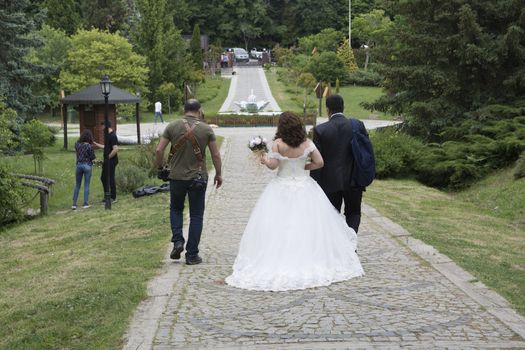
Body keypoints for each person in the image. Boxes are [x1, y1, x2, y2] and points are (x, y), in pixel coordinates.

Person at [225, 112, 363, 291]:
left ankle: (279, 257)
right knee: (307, 224)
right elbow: (320, 163)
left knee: (278, 225)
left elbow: (274, 166)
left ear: (281, 127)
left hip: (281, 187)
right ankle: (309, 256)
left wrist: (264, 159)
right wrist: (305, 166)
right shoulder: (307, 143)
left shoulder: (278, 144)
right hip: (305, 186)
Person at [155, 99, 223, 265]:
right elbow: (215, 155)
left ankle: (178, 241)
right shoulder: (206, 129)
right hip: (198, 178)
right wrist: (219, 174)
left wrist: (161, 167)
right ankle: (192, 255)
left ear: (184, 109)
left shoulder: (172, 126)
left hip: (176, 177)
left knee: (176, 209)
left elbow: (159, 149)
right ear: (199, 110)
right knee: (196, 215)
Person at [310, 94, 369, 233]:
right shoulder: (357, 125)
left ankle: (336, 246)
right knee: (353, 213)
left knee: (332, 215)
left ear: (327, 109)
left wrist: (314, 184)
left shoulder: (321, 130)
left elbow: (317, 160)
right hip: (354, 180)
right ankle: (351, 244)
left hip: (329, 181)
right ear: (343, 107)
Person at [72, 129, 102, 210]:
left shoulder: (77, 144)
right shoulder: (89, 146)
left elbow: (77, 153)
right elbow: (92, 158)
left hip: (78, 165)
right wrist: (100, 162)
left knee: (77, 185)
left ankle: (74, 204)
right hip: (87, 166)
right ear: (89, 137)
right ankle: (85, 203)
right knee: (86, 185)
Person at [100, 120, 119, 203]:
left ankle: (113, 197)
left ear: (106, 126)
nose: (101, 128)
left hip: (112, 161)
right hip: (107, 160)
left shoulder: (112, 136)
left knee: (110, 178)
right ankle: (107, 195)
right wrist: (96, 144)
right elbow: (107, 147)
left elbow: (115, 149)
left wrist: (108, 158)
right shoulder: (107, 135)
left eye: (102, 126)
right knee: (103, 178)